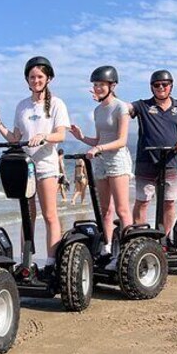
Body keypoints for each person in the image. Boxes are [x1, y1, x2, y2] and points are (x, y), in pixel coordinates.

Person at [0, 56, 71, 278]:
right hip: (25, 167)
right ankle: (26, 263)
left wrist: (44, 136)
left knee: (50, 215)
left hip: (47, 166)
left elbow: (61, 134)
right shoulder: (22, 106)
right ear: (27, 80)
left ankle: (51, 262)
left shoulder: (57, 104)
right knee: (27, 216)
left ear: (48, 78)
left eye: (40, 76)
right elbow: (15, 138)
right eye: (32, 77)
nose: (36, 80)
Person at [70, 66, 133, 268]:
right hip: (101, 160)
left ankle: (127, 251)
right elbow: (98, 139)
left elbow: (122, 140)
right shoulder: (97, 110)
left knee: (122, 209)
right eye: (95, 85)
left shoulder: (120, 107)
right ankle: (107, 248)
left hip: (117, 160)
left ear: (112, 86)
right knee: (105, 209)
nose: (97, 88)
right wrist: (81, 138)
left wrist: (99, 147)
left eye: (100, 85)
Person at [129, 70, 177, 240]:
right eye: (157, 85)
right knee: (142, 201)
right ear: (151, 87)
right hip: (146, 161)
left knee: (169, 202)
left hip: (170, 162)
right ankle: (140, 237)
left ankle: (165, 238)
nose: (161, 88)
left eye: (164, 84)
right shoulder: (142, 106)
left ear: (171, 86)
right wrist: (106, 95)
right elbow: (124, 109)